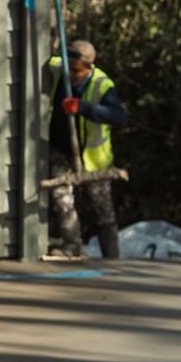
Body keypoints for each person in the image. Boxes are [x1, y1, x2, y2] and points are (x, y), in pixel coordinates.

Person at [47, 39, 127, 259]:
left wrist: (82, 108)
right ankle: (72, 245)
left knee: (103, 211)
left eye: (77, 71)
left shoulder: (102, 85)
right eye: (69, 68)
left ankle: (111, 256)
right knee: (62, 199)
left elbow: (117, 115)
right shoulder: (58, 69)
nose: (72, 75)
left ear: (88, 67)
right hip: (61, 150)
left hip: (93, 158)